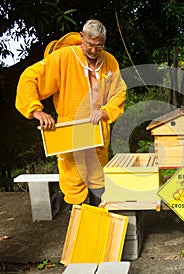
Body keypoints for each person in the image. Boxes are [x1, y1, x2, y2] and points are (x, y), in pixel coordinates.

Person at [16, 19, 126, 207]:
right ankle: (77, 224)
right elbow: (29, 77)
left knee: (99, 181)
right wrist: (36, 111)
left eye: (99, 47)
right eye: (90, 45)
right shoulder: (64, 57)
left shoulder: (110, 61)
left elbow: (119, 92)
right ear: (82, 37)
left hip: (98, 131)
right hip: (70, 131)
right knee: (74, 181)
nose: (93, 50)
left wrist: (106, 111)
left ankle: (98, 227)